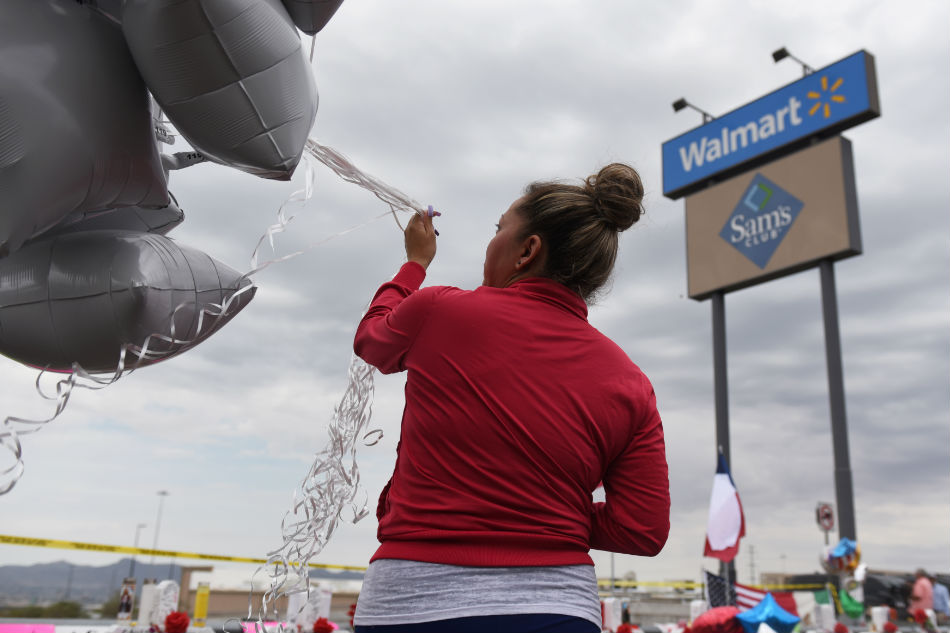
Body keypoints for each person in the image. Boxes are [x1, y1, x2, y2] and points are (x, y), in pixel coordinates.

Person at [351, 163, 671, 632]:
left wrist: (414, 265)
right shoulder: (631, 382)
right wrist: (546, 514)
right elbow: (642, 530)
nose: (491, 241)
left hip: (412, 601)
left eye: (498, 229)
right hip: (558, 610)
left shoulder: (439, 309)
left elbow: (372, 339)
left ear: (528, 251)